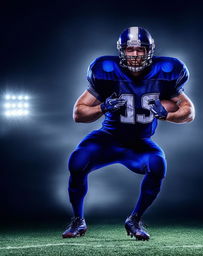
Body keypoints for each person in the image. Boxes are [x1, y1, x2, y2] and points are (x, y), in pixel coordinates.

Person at [62, 26, 195, 240]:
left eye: (140, 50)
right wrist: (103, 107)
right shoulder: (105, 70)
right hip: (107, 139)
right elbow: (79, 113)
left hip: (139, 143)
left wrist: (166, 115)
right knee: (77, 162)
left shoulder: (167, 70)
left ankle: (134, 219)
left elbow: (189, 112)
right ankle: (78, 220)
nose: (134, 55)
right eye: (129, 49)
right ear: (121, 50)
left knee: (157, 164)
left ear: (149, 51)